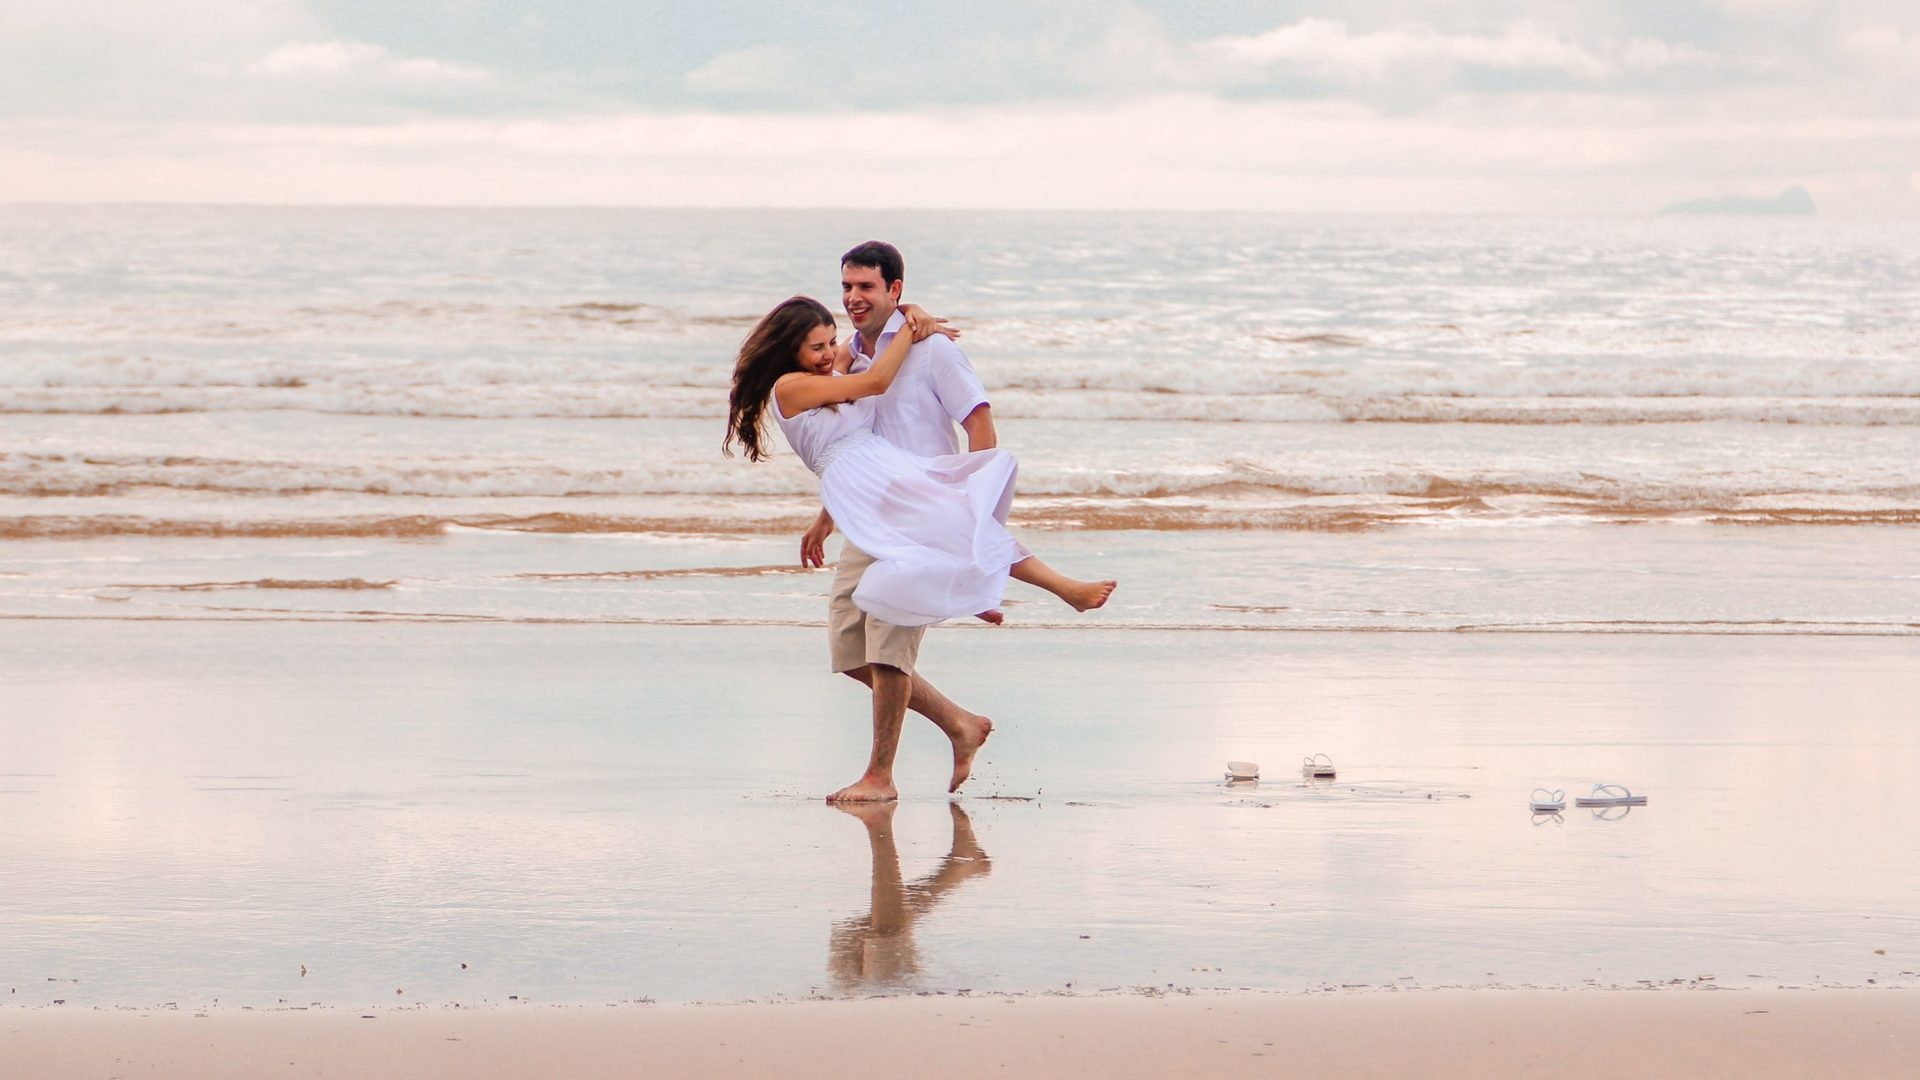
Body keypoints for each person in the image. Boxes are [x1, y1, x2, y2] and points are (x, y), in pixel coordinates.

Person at [724, 289, 1116, 803]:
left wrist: (909, 312)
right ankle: (961, 678)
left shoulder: (823, 372)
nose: (827, 354)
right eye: (816, 347)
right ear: (787, 349)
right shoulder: (791, 385)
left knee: (956, 521)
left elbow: (856, 364)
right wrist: (911, 327)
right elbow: (877, 381)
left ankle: (1062, 589)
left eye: (828, 343)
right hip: (860, 481)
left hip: (877, 473)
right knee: (852, 649)